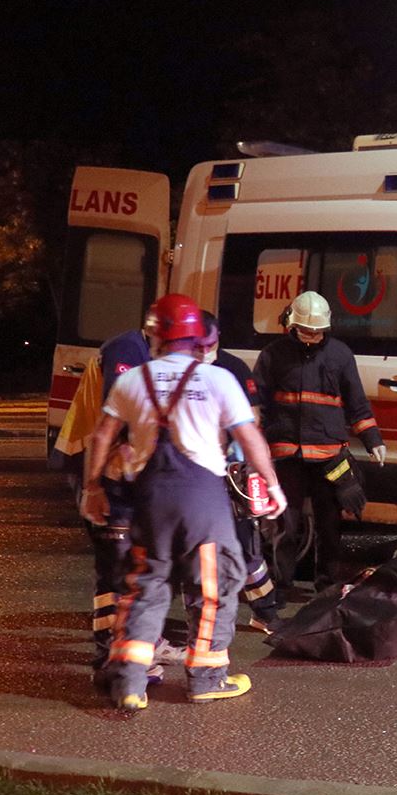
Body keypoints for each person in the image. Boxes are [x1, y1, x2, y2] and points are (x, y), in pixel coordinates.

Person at [81, 293, 286, 710]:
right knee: (213, 588)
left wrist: (92, 488)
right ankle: (208, 677)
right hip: (202, 500)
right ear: (196, 338)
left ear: (154, 336)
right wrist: (272, 484)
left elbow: (101, 436)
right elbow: (250, 438)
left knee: (146, 588)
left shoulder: (132, 379)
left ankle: (129, 683)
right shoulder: (218, 379)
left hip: (149, 499)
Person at [55, 309, 184, 685]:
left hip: (115, 467)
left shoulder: (144, 353)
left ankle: (142, 641)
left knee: (132, 560)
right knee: (114, 561)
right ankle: (109, 652)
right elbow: (122, 414)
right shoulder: (126, 351)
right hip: (97, 465)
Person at [254, 291, 387, 593]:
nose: (312, 337)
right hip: (287, 455)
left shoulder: (340, 355)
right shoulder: (273, 355)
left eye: (316, 332)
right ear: (292, 325)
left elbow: (357, 403)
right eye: (306, 331)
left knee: (329, 527)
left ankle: (326, 585)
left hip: (329, 457)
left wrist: (373, 439)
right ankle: (279, 585)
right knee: (283, 526)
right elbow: (256, 404)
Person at [196, 309, 284, 633]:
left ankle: (264, 610)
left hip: (229, 470)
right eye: (198, 343)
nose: (205, 350)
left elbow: (252, 421)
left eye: (210, 343)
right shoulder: (177, 369)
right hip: (193, 474)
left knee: (245, 542)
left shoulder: (231, 368)